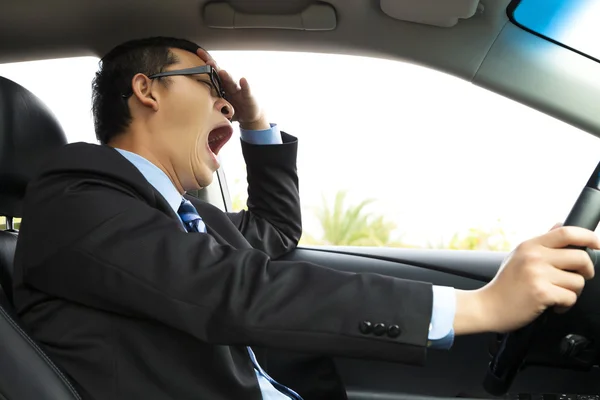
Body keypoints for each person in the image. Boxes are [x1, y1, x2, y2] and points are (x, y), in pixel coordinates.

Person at [12, 36, 598, 400]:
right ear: (146, 90)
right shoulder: (75, 197)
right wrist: (478, 306)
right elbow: (227, 288)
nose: (224, 99)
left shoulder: (194, 222)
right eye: (208, 82)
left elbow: (274, 231)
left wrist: (256, 126)